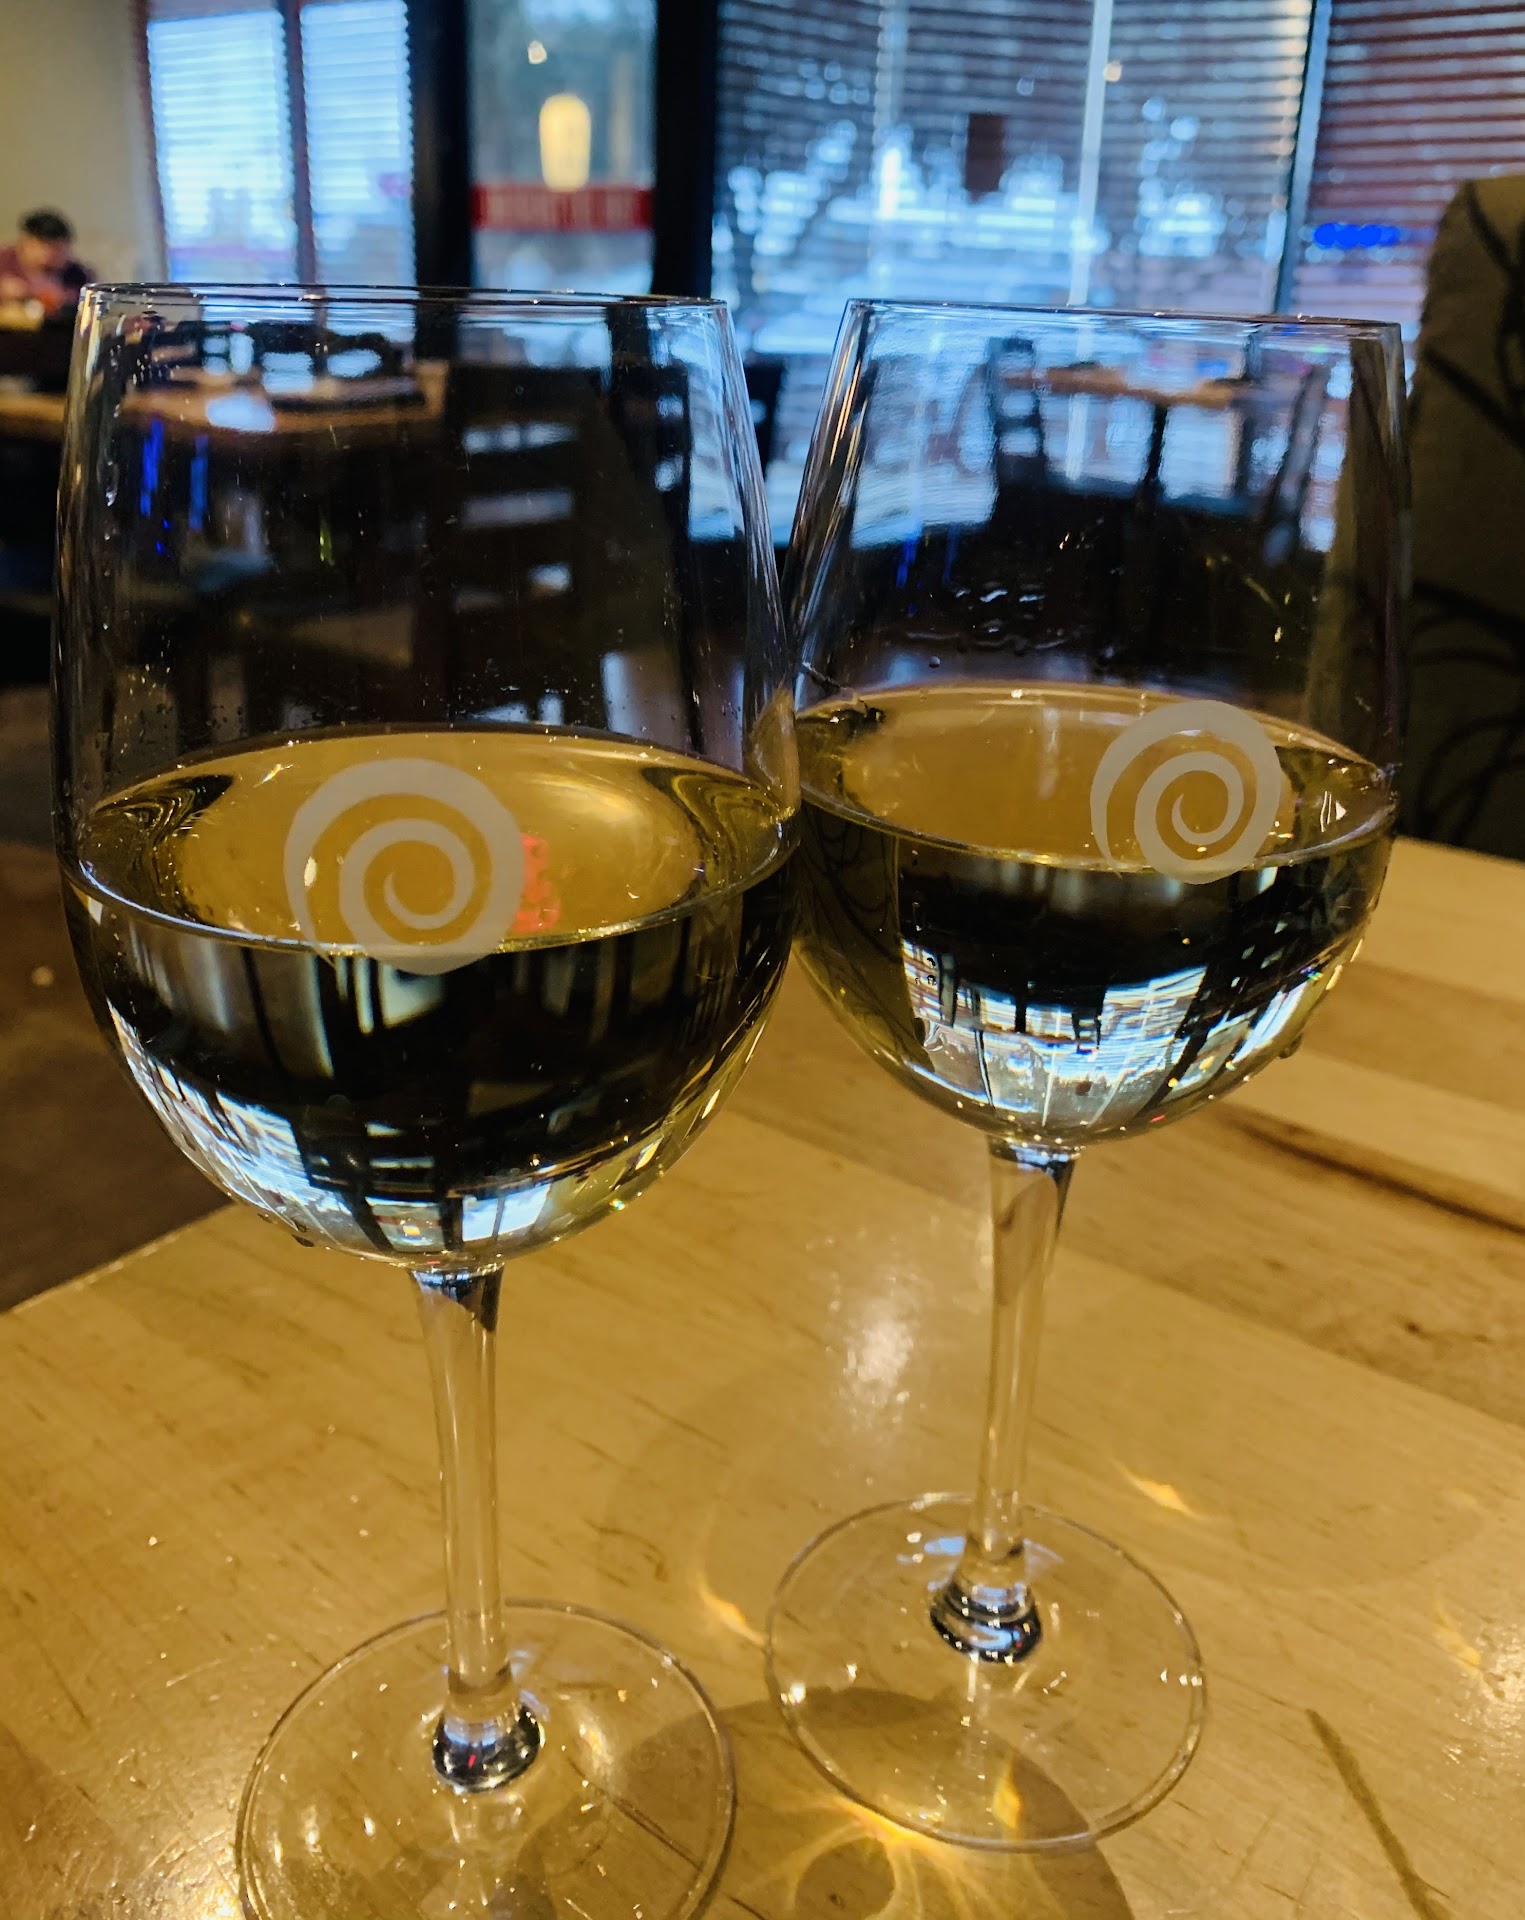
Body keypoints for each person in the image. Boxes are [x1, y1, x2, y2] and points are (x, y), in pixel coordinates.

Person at [0, 209, 91, 314]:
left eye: (60, 250)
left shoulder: (76, 274)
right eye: (47, 247)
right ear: (27, 242)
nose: (52, 255)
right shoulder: (4, 260)